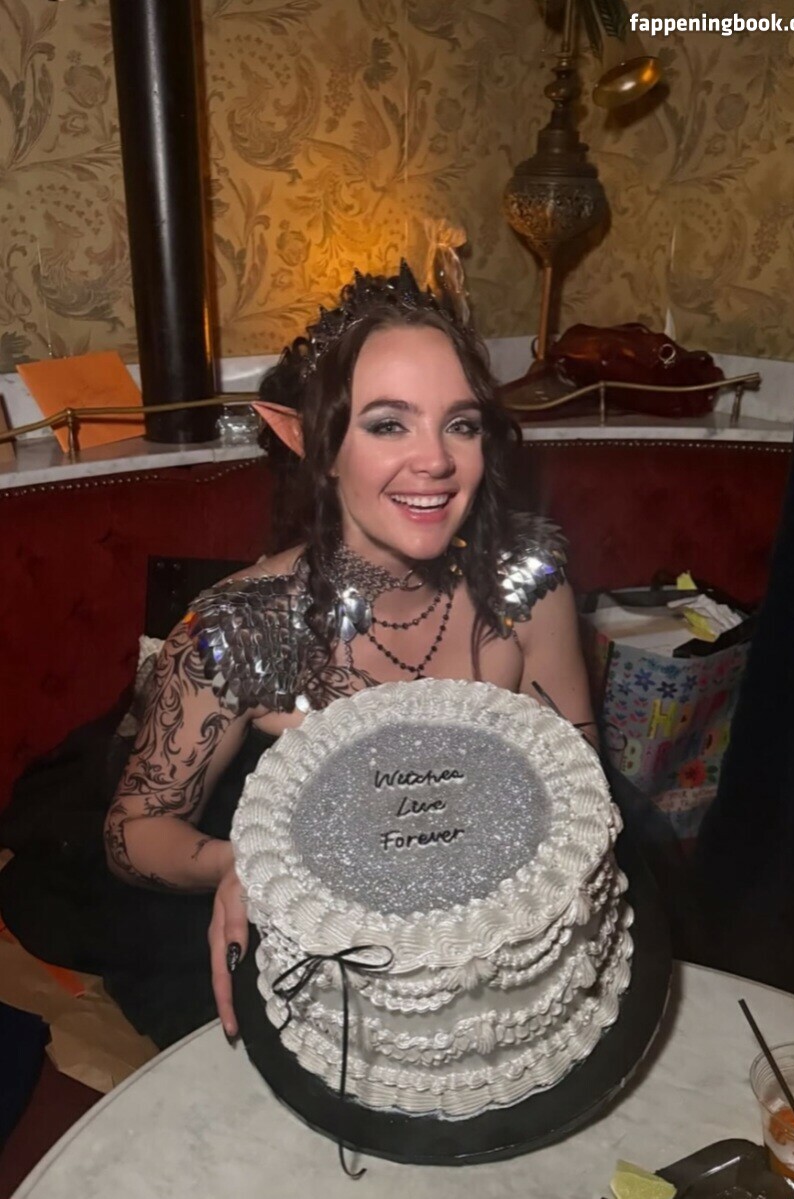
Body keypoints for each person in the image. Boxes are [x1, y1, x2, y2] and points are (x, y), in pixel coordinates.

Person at [101, 263, 595, 1044]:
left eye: (461, 424)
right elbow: (132, 829)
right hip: (303, 939)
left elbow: (575, 780)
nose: (435, 460)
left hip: (476, 929)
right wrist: (240, 864)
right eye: (389, 424)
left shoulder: (528, 584)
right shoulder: (239, 628)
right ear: (310, 440)